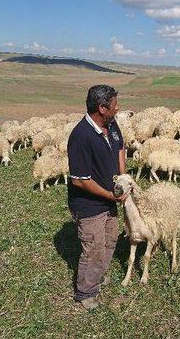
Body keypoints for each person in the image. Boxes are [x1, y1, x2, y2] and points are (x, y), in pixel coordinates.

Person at [67, 84, 127, 310]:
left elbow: (120, 146)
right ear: (102, 108)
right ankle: (85, 292)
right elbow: (80, 180)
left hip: (110, 198)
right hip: (89, 203)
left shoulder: (111, 125)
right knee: (93, 247)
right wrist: (110, 195)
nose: (117, 108)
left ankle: (98, 276)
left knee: (109, 241)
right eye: (114, 105)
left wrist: (122, 177)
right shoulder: (81, 136)